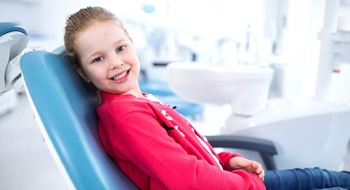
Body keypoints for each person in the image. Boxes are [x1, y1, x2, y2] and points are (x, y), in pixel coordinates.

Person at [64, 6, 350, 190]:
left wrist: (227, 160)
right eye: (99, 58)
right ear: (83, 72)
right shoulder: (126, 118)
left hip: (228, 179)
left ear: (132, 45)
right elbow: (189, 179)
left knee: (319, 177)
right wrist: (246, 183)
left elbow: (188, 150)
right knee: (322, 180)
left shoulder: (139, 101)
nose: (115, 62)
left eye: (120, 48)